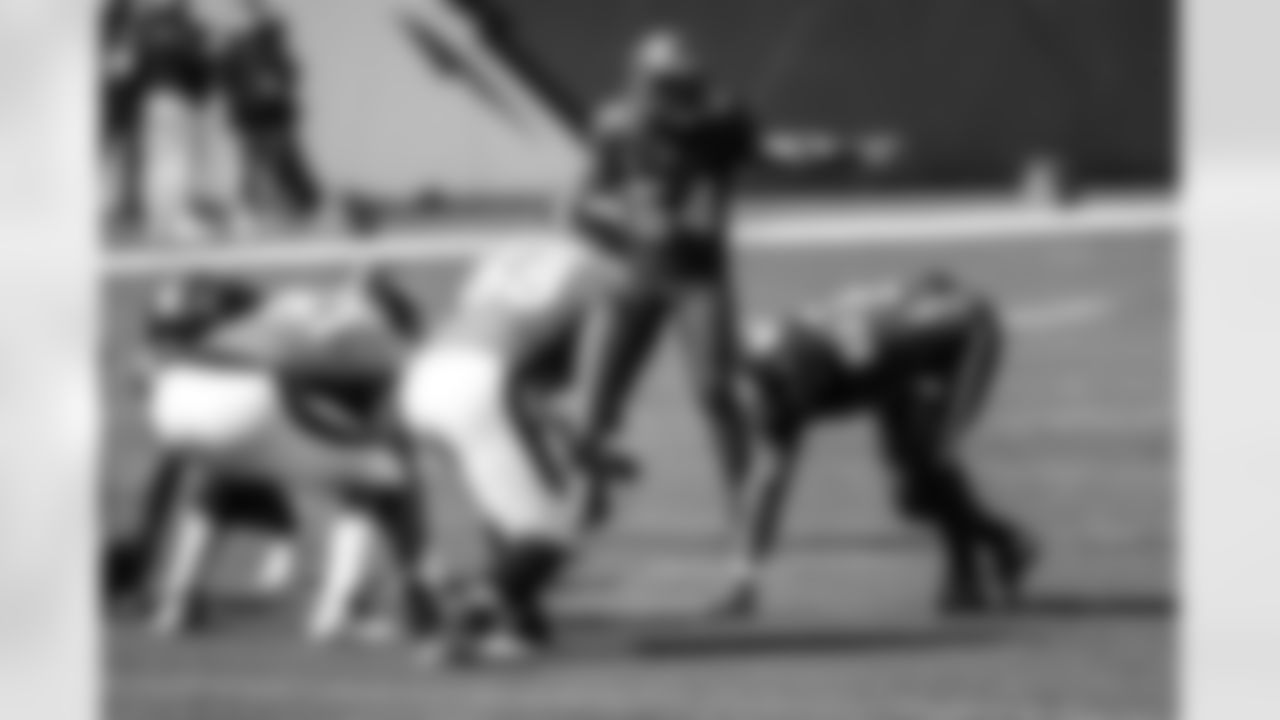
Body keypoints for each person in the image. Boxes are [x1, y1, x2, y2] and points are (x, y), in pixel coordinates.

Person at [566, 28, 901, 533]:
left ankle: (743, 505)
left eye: (686, 85)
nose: (684, 97)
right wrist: (626, 232)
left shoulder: (720, 121)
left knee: (716, 393)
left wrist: (846, 152)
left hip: (699, 277)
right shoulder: (617, 125)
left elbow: (775, 151)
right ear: (645, 84)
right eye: (671, 86)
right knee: (596, 398)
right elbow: (577, 203)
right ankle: (584, 498)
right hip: (635, 274)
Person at [131, 270, 432, 641]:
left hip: (176, 393)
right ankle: (341, 609)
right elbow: (388, 428)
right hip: (244, 395)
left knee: (224, 474)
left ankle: (176, 602)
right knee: (379, 473)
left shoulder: (292, 299)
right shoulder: (374, 335)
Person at [720, 271, 1035, 616]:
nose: (756, 418)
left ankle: (986, 560)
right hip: (900, 356)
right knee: (914, 486)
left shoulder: (794, 375)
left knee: (930, 468)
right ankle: (993, 552)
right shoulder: (780, 352)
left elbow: (771, 479)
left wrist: (745, 577)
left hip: (965, 334)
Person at [397, 239, 619, 664]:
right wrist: (584, 446)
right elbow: (565, 379)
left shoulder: (510, 255)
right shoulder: (601, 274)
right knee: (559, 525)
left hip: (423, 379)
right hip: (481, 381)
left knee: (509, 512)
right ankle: (463, 620)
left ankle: (520, 624)